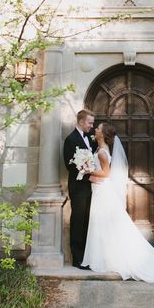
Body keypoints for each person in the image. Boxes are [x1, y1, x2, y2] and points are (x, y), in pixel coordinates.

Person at [82, 122, 154, 284]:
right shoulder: (101, 149)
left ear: (102, 134)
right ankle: (105, 256)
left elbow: (106, 173)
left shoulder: (102, 152)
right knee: (103, 224)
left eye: (98, 129)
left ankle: (111, 258)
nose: (95, 130)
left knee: (105, 223)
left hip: (102, 190)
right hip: (100, 190)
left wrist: (87, 171)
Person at [63, 109, 96, 268]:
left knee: (88, 221)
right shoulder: (71, 139)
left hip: (91, 187)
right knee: (78, 221)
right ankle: (78, 259)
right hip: (78, 187)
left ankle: (87, 256)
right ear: (81, 121)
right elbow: (69, 164)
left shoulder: (90, 137)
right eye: (90, 123)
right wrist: (85, 168)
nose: (91, 126)